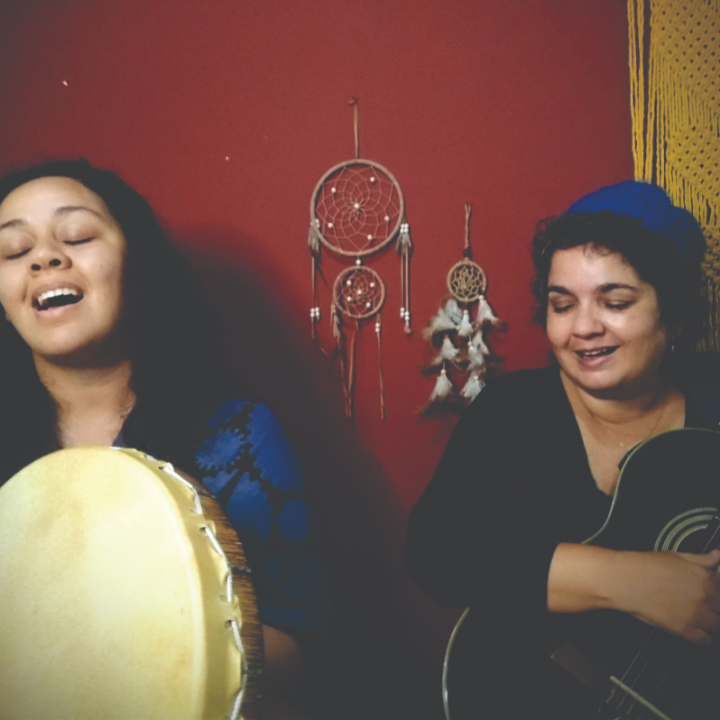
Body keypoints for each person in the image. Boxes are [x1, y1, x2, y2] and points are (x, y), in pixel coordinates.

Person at [0, 159, 331, 718]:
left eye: (76, 236)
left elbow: (303, 653)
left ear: (136, 265)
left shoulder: (234, 434)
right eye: (13, 250)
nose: (45, 257)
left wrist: (150, 637)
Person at [405, 181, 720, 719]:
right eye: (562, 304)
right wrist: (630, 581)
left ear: (674, 317)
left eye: (615, 302)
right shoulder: (512, 410)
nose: (583, 328)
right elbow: (436, 552)